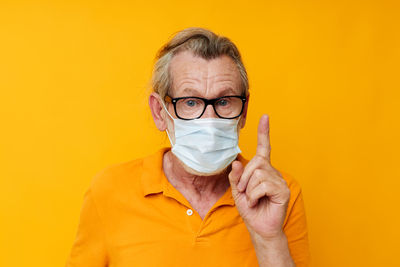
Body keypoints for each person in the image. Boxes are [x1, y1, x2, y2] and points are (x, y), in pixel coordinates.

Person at [66, 27, 310, 267]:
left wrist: (269, 239)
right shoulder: (109, 191)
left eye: (224, 101)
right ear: (160, 112)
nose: (210, 120)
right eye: (190, 102)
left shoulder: (277, 194)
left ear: (243, 111)